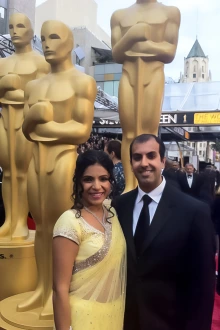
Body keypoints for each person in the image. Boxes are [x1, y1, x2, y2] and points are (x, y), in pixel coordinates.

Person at [20, 20, 97, 318]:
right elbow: (28, 131)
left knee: (62, 228)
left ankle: (60, 292)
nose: (48, 43)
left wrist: (43, 123)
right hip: (36, 160)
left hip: (64, 159)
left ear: (69, 42)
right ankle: (42, 290)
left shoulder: (82, 82)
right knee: (40, 227)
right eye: (43, 38)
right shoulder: (34, 86)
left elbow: (81, 131)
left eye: (54, 37)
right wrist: (36, 118)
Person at [112, 134, 215, 330]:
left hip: (171, 323)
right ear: (131, 163)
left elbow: (203, 286)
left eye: (151, 156)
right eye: (137, 157)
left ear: (162, 161)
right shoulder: (119, 206)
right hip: (125, 321)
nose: (144, 163)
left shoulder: (193, 211)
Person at [111, 0, 180, 192]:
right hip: (129, 75)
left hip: (153, 74)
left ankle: (147, 183)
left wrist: (142, 46)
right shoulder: (119, 15)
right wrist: (132, 36)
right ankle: (130, 186)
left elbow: (169, 51)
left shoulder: (170, 12)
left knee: (148, 132)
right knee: (129, 133)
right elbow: (116, 53)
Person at [53, 150, 126, 330]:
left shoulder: (114, 213)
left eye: (103, 179)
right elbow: (59, 288)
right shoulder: (70, 221)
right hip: (81, 319)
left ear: (111, 181)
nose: (96, 186)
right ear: (78, 181)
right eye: (88, 179)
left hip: (115, 314)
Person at [0, 13, 50, 240]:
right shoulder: (3, 62)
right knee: (8, 172)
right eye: (11, 26)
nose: (14, 30)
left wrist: (11, 89)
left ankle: (21, 220)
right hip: (5, 119)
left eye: (20, 26)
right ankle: (9, 219)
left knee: (22, 172)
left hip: (24, 120)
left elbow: (40, 95)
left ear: (31, 31)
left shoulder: (40, 62)